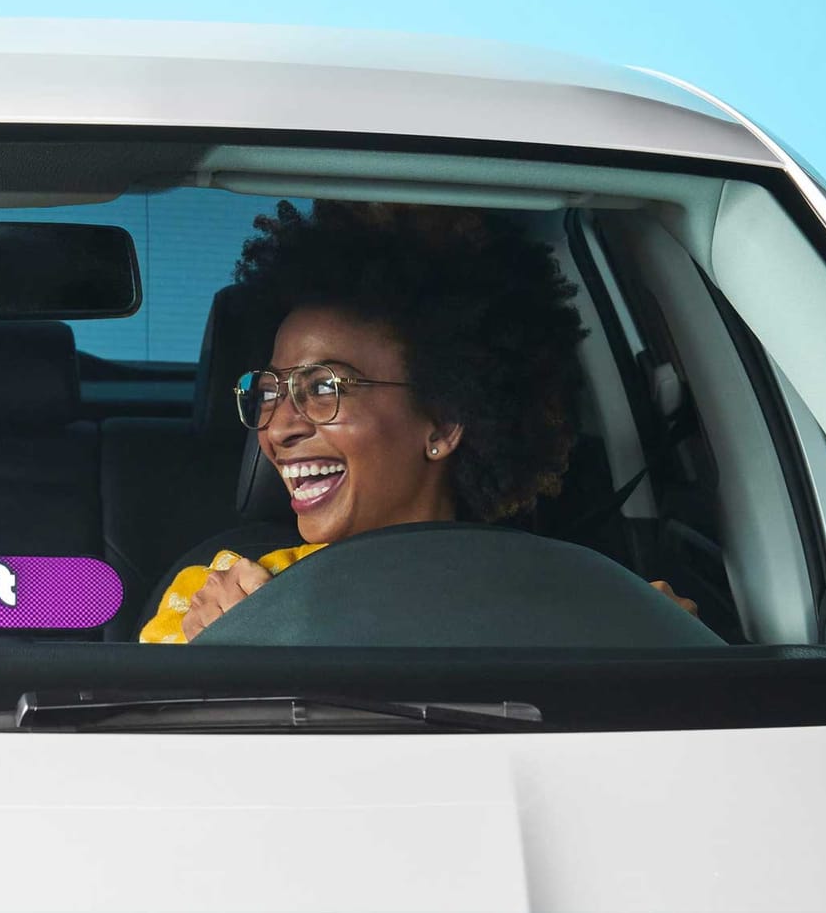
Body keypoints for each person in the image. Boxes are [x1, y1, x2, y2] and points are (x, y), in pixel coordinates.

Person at [140, 201, 694, 643]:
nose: (278, 429)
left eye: (324, 387)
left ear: (443, 423)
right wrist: (210, 651)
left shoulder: (585, 601)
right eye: (270, 391)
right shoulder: (222, 594)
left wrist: (660, 636)